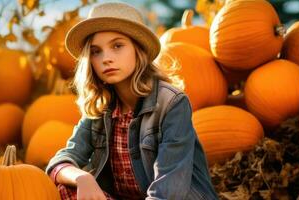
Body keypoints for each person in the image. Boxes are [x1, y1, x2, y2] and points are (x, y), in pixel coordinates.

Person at [45, 2, 218, 199]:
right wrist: (82, 178)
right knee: (65, 189)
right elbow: (60, 161)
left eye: (117, 46)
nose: (106, 58)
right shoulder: (101, 109)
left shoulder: (172, 104)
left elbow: (168, 191)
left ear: (139, 50)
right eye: (96, 51)